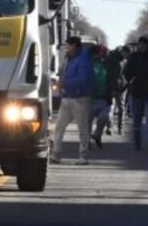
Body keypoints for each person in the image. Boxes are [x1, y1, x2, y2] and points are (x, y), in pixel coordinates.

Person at [51, 36, 94, 165]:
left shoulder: (83, 60)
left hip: (80, 98)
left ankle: (83, 156)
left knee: (82, 128)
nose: (66, 48)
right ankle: (56, 154)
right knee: (59, 127)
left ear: (74, 45)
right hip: (67, 97)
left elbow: (83, 79)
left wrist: (64, 83)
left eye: (67, 45)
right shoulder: (69, 59)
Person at [123, 35, 148, 151]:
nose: (140, 46)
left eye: (143, 43)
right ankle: (137, 141)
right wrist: (131, 80)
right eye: (139, 43)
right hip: (136, 93)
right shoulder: (134, 57)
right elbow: (126, 71)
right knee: (136, 118)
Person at [89, 45, 112, 148]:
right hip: (91, 98)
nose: (102, 55)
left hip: (104, 98)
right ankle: (87, 141)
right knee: (87, 121)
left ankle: (97, 135)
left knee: (103, 118)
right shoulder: (89, 64)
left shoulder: (107, 65)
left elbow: (112, 79)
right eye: (100, 53)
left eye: (104, 53)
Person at [104, 45, 127, 136]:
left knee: (111, 107)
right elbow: (125, 74)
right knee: (121, 108)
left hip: (113, 86)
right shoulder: (123, 60)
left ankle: (110, 127)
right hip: (120, 87)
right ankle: (120, 128)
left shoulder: (109, 58)